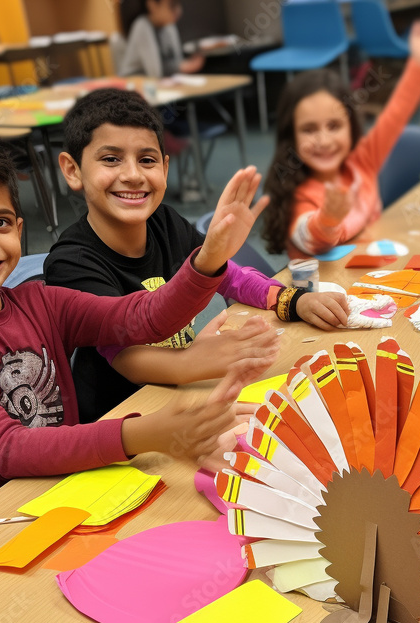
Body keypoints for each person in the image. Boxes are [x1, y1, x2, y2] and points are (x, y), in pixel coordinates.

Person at [0, 128, 256, 527]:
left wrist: (209, 258)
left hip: (73, 491)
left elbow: (144, 318)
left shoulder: (40, 301)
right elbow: (5, 448)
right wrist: (147, 434)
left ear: (18, 228)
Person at [44, 88, 348, 423]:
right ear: (72, 170)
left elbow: (228, 275)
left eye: (147, 159)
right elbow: (124, 356)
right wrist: (192, 361)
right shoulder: (71, 262)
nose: (132, 174)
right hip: (125, 421)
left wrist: (291, 300)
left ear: (165, 166)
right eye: (111, 159)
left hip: (183, 392)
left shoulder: (166, 221)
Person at [261, 2, 420, 259]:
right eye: (309, 129)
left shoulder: (363, 161)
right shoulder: (299, 196)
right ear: (291, 135)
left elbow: (395, 114)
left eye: (334, 126)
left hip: (372, 282)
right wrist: (328, 219)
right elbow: (312, 236)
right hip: (326, 296)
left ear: (351, 128)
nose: (324, 139)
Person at [117, 0, 203, 79]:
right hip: (133, 83)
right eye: (172, 5)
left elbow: (178, 62)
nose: (179, 10)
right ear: (152, 5)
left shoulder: (169, 26)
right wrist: (182, 67)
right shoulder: (142, 25)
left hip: (159, 86)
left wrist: (182, 66)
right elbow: (155, 73)